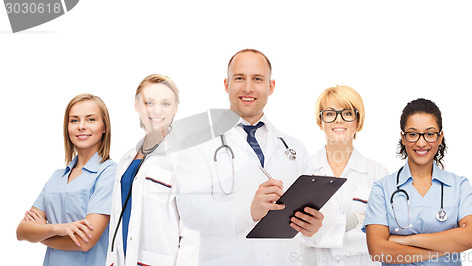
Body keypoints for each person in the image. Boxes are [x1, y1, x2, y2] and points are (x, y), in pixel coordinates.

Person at [175, 49, 324, 265]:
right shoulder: (198, 143)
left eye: (257, 79)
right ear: (226, 84)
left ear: (270, 86)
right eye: (239, 78)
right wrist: (249, 212)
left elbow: (316, 209)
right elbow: (190, 210)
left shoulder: (294, 148)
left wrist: (314, 225)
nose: (248, 88)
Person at [362, 98, 472, 265]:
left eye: (430, 134)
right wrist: (445, 248)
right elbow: (378, 250)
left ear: (440, 138)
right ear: (403, 138)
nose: (421, 142)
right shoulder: (382, 188)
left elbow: (470, 237)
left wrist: (405, 240)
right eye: (413, 134)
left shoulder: (460, 186)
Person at [106, 74, 198, 266]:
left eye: (165, 104)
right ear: (137, 105)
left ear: (176, 108)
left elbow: (192, 230)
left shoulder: (185, 156)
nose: (157, 110)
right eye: (149, 102)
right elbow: (116, 221)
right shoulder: (126, 159)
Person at [16, 93, 116, 266]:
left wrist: (42, 236)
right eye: (74, 120)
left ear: (104, 127)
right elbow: (21, 231)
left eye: (91, 119)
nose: (82, 126)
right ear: (67, 127)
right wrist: (57, 228)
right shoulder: (57, 177)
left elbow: (85, 241)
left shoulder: (108, 172)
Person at [302, 86, 388, 265]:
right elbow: (295, 233)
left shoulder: (378, 173)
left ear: (358, 121)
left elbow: (381, 235)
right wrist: (353, 223)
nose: (338, 120)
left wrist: (320, 230)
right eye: (330, 113)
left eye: (347, 113)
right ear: (320, 121)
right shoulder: (303, 170)